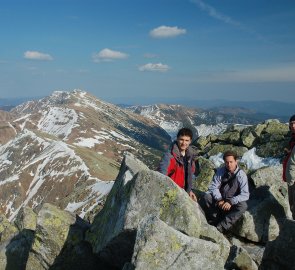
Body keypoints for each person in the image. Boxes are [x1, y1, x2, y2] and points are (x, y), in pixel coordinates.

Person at [200, 150, 249, 233]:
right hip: (221, 200)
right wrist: (219, 199)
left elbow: (245, 195)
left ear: (236, 161)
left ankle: (221, 226)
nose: (229, 165)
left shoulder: (241, 175)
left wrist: (231, 201)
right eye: (227, 162)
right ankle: (215, 219)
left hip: (232, 203)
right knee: (207, 197)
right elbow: (213, 187)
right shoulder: (221, 171)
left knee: (243, 206)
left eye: (231, 162)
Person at [158, 127, 197, 201]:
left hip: (184, 192)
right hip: (171, 192)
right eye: (181, 139)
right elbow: (162, 174)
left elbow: (191, 174)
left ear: (190, 141)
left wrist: (190, 190)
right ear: (177, 139)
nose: (184, 143)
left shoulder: (190, 156)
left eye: (186, 140)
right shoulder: (169, 156)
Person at [283, 114, 295, 219]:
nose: (293, 126)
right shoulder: (292, 139)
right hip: (291, 179)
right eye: (291, 124)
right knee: (292, 206)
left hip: (294, 179)